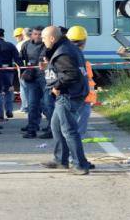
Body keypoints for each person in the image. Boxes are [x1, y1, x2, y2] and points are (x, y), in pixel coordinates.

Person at [40, 26, 90, 175]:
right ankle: (60, 160)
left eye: (44, 38)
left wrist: (57, 86)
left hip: (68, 94)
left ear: (52, 38)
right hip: (72, 93)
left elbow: (71, 75)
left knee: (68, 130)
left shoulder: (63, 53)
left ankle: (80, 165)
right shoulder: (67, 48)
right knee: (56, 126)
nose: (42, 41)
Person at [66, 26, 97, 137]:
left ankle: (74, 136)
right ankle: (77, 136)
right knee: (81, 113)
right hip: (81, 92)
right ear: (84, 41)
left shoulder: (67, 52)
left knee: (75, 114)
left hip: (76, 91)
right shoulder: (78, 55)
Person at [20, 26, 47, 139]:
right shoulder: (26, 45)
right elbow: (21, 58)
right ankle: (32, 129)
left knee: (47, 104)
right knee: (32, 105)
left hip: (44, 77)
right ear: (31, 35)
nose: (37, 36)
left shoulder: (47, 45)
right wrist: (24, 70)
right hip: (31, 77)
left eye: (40, 34)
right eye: (35, 34)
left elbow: (43, 59)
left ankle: (52, 128)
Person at [0, 28, 20, 119]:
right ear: (3, 35)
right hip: (9, 69)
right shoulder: (10, 45)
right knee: (9, 90)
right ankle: (9, 110)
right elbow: (17, 58)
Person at [15, 27, 32, 112]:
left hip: (23, 69)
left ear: (23, 35)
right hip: (34, 69)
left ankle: (25, 107)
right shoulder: (35, 43)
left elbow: (18, 58)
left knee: (24, 88)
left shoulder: (20, 44)